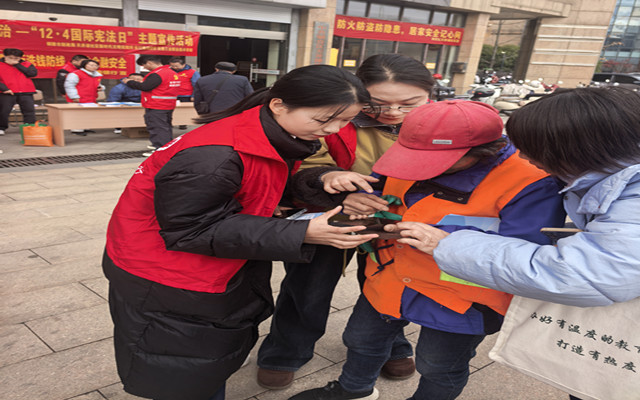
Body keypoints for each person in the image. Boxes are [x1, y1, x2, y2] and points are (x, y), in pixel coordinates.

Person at [102, 64, 378, 400]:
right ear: (279, 105)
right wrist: (302, 233)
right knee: (185, 374)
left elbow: (258, 185)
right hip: (168, 274)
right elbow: (191, 229)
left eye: (345, 120)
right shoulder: (215, 156)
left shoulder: (264, 131)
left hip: (205, 264)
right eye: (323, 120)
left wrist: (324, 181)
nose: (333, 130)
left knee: (204, 364)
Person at [290, 100, 566, 400]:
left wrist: (444, 238)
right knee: (360, 340)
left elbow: (527, 251)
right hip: (390, 276)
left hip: (463, 295)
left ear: (485, 150)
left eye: (433, 161)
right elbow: (382, 188)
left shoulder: (531, 181)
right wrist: (360, 199)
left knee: (438, 366)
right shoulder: (410, 153)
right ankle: (353, 390)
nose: (417, 168)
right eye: (412, 157)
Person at [381, 87, 640, 400]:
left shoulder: (625, 198)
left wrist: (447, 244)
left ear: (578, 151)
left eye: (533, 150)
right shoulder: (606, 176)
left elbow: (585, 275)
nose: (524, 157)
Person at [257, 54, 435, 389]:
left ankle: (391, 345)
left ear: (429, 94)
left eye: (409, 103)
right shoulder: (333, 116)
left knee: (392, 284)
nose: (393, 112)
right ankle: (284, 352)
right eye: (378, 103)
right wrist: (332, 182)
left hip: (400, 221)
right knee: (308, 288)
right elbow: (303, 162)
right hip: (332, 218)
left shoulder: (442, 124)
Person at [126, 55, 181, 155]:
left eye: (144, 65)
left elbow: (145, 87)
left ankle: (160, 150)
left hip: (156, 105)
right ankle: (166, 147)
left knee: (158, 128)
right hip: (168, 105)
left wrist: (130, 82)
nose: (144, 68)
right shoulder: (172, 72)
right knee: (165, 127)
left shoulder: (157, 74)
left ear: (149, 63)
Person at [0, 48, 38, 136]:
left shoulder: (27, 64)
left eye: (16, 58)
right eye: (10, 58)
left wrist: (17, 65)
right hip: (7, 92)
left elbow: (32, 74)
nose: (13, 60)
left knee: (29, 110)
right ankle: (1, 127)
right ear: (5, 56)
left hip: (26, 91)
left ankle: (29, 127)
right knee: (3, 111)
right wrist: (4, 89)